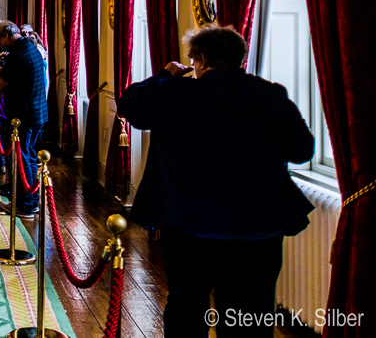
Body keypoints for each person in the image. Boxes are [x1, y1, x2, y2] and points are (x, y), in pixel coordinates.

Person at [117, 26, 314, 338]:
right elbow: (303, 150)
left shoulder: (176, 94)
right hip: (258, 228)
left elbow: (129, 104)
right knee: (248, 316)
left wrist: (165, 75)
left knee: (186, 309)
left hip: (190, 225)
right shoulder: (268, 93)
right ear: (239, 58)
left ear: (201, 59)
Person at [0, 21, 46, 219]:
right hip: (35, 113)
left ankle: (24, 205)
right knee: (27, 156)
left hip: (24, 115)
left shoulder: (18, 55)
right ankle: (30, 201)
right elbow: (6, 73)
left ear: (6, 35)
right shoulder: (27, 47)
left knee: (22, 159)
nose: (0, 44)